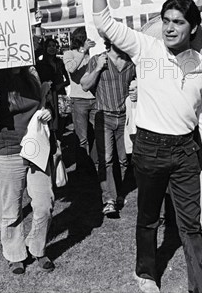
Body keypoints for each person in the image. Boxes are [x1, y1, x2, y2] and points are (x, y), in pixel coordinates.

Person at [87, 0, 202, 293]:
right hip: (148, 148)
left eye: (178, 22)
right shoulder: (146, 48)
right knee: (148, 218)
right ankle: (146, 273)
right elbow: (103, 20)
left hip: (185, 153)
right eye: (166, 20)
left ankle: (200, 287)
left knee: (192, 225)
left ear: (193, 28)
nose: (170, 27)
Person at [0, 67, 55, 275]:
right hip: (8, 149)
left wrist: (48, 112)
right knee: (11, 208)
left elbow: (44, 107)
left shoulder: (31, 77)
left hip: (36, 147)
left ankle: (37, 247)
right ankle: (14, 254)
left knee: (43, 204)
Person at [81, 39, 136, 217]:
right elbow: (84, 85)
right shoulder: (98, 60)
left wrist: (137, 90)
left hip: (124, 117)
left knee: (123, 160)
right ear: (110, 42)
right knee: (106, 159)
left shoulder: (130, 61)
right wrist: (97, 69)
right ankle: (109, 200)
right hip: (103, 116)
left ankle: (119, 194)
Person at [63, 27, 96, 171]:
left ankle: (95, 165)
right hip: (79, 100)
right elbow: (71, 69)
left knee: (95, 135)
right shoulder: (69, 53)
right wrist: (83, 51)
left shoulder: (93, 53)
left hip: (95, 99)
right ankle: (83, 168)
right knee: (81, 138)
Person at [35, 37, 70, 136]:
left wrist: (61, 85)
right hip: (47, 95)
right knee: (49, 119)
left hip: (60, 94)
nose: (52, 48)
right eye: (49, 46)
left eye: (54, 46)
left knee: (62, 119)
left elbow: (68, 79)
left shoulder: (59, 62)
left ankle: (59, 142)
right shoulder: (40, 64)